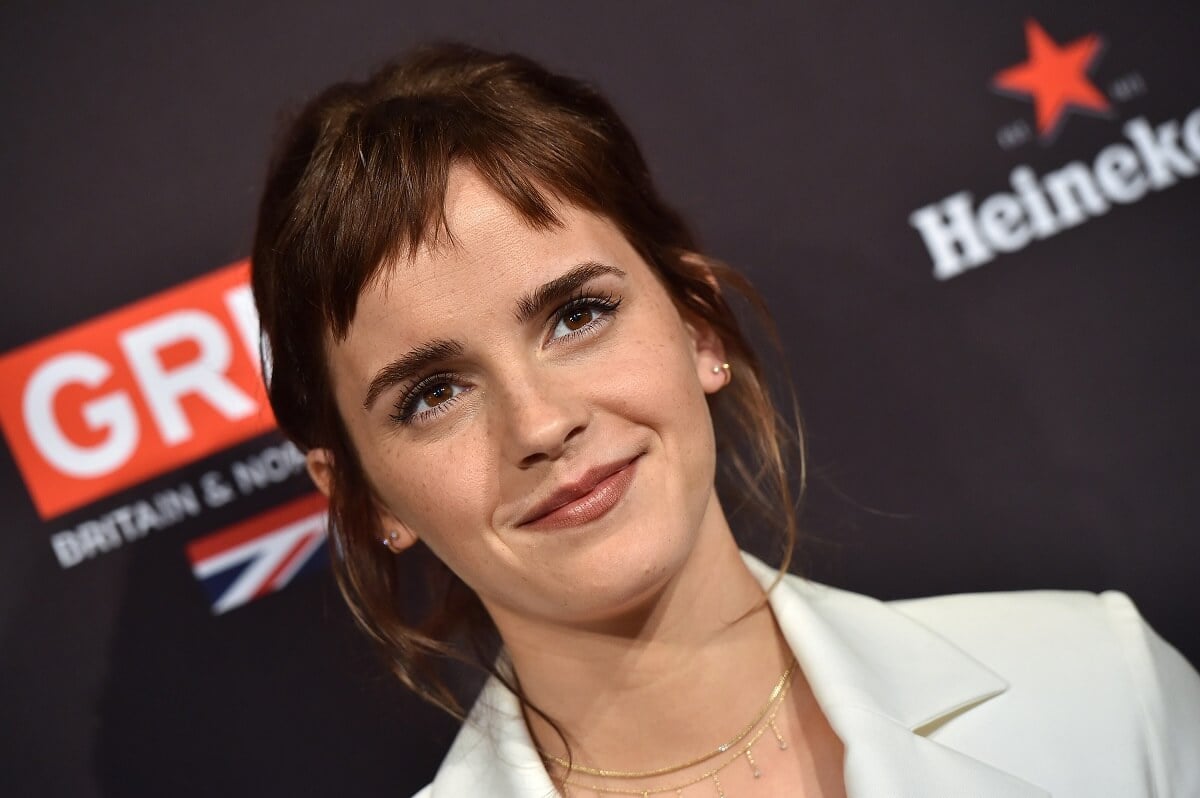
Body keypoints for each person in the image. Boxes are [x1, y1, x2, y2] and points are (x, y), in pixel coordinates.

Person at [250, 44, 1200, 798]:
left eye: (577, 316)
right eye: (433, 394)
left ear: (699, 326)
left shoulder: (1098, 684)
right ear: (365, 492)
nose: (539, 424)